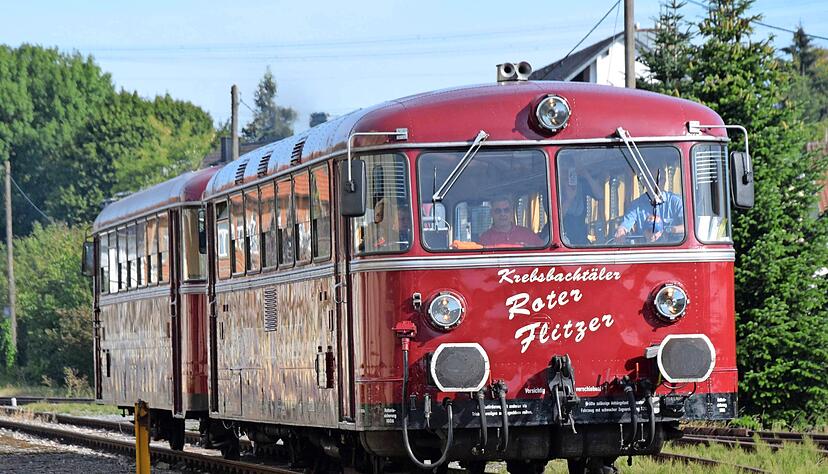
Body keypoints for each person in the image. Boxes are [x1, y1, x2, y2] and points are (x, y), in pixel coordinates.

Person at [614, 172, 684, 243]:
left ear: (664, 181)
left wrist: (669, 230)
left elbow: (689, 228)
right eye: (651, 180)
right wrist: (621, 231)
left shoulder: (676, 201)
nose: (656, 183)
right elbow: (625, 225)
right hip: (644, 250)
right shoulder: (636, 205)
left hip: (672, 249)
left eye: (659, 179)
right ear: (645, 182)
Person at [560, 168, 602, 245]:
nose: (568, 175)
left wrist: (587, 175)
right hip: (562, 239)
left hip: (581, 239)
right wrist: (568, 200)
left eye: (570, 172)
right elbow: (555, 220)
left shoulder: (581, 185)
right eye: (564, 171)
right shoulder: (551, 187)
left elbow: (600, 195)